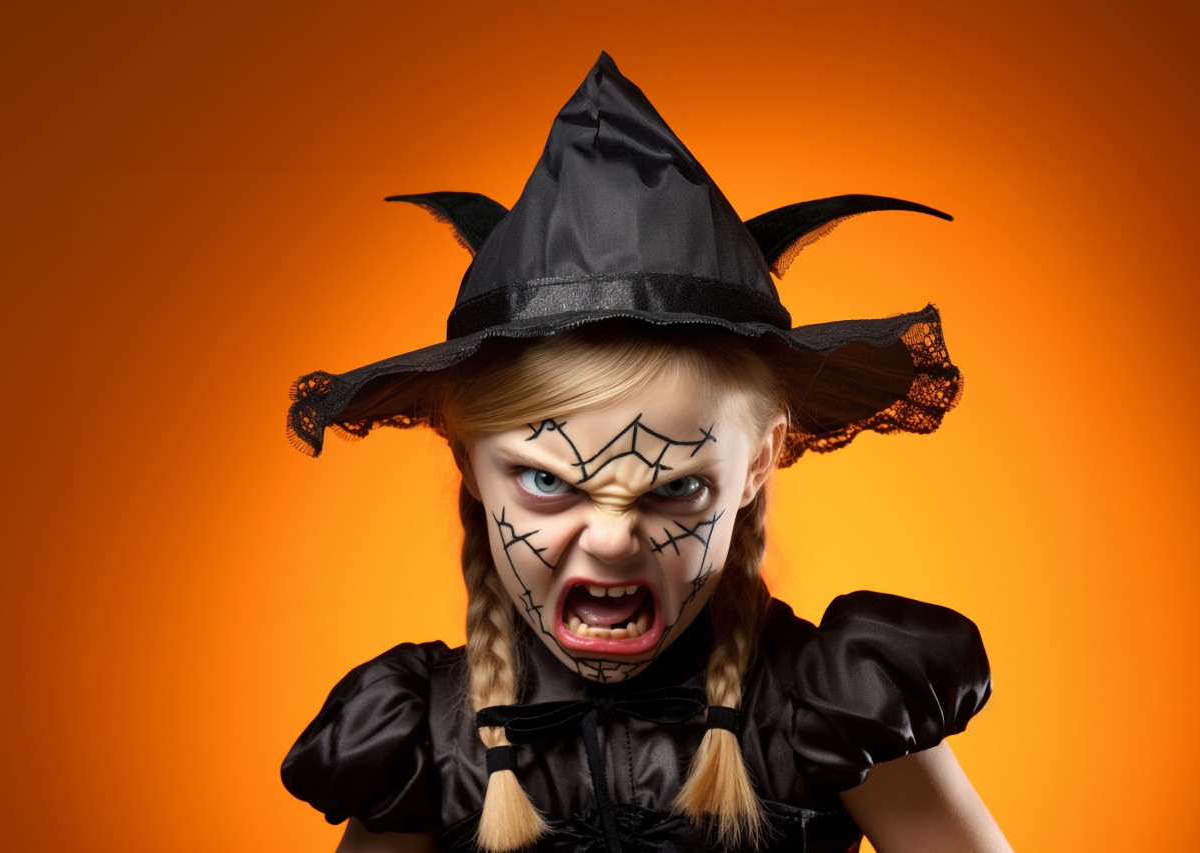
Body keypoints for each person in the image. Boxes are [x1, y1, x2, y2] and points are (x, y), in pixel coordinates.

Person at [282, 54, 1011, 853]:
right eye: (545, 480)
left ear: (759, 462)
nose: (611, 539)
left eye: (675, 488)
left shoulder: (833, 709)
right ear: (467, 459)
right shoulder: (424, 741)